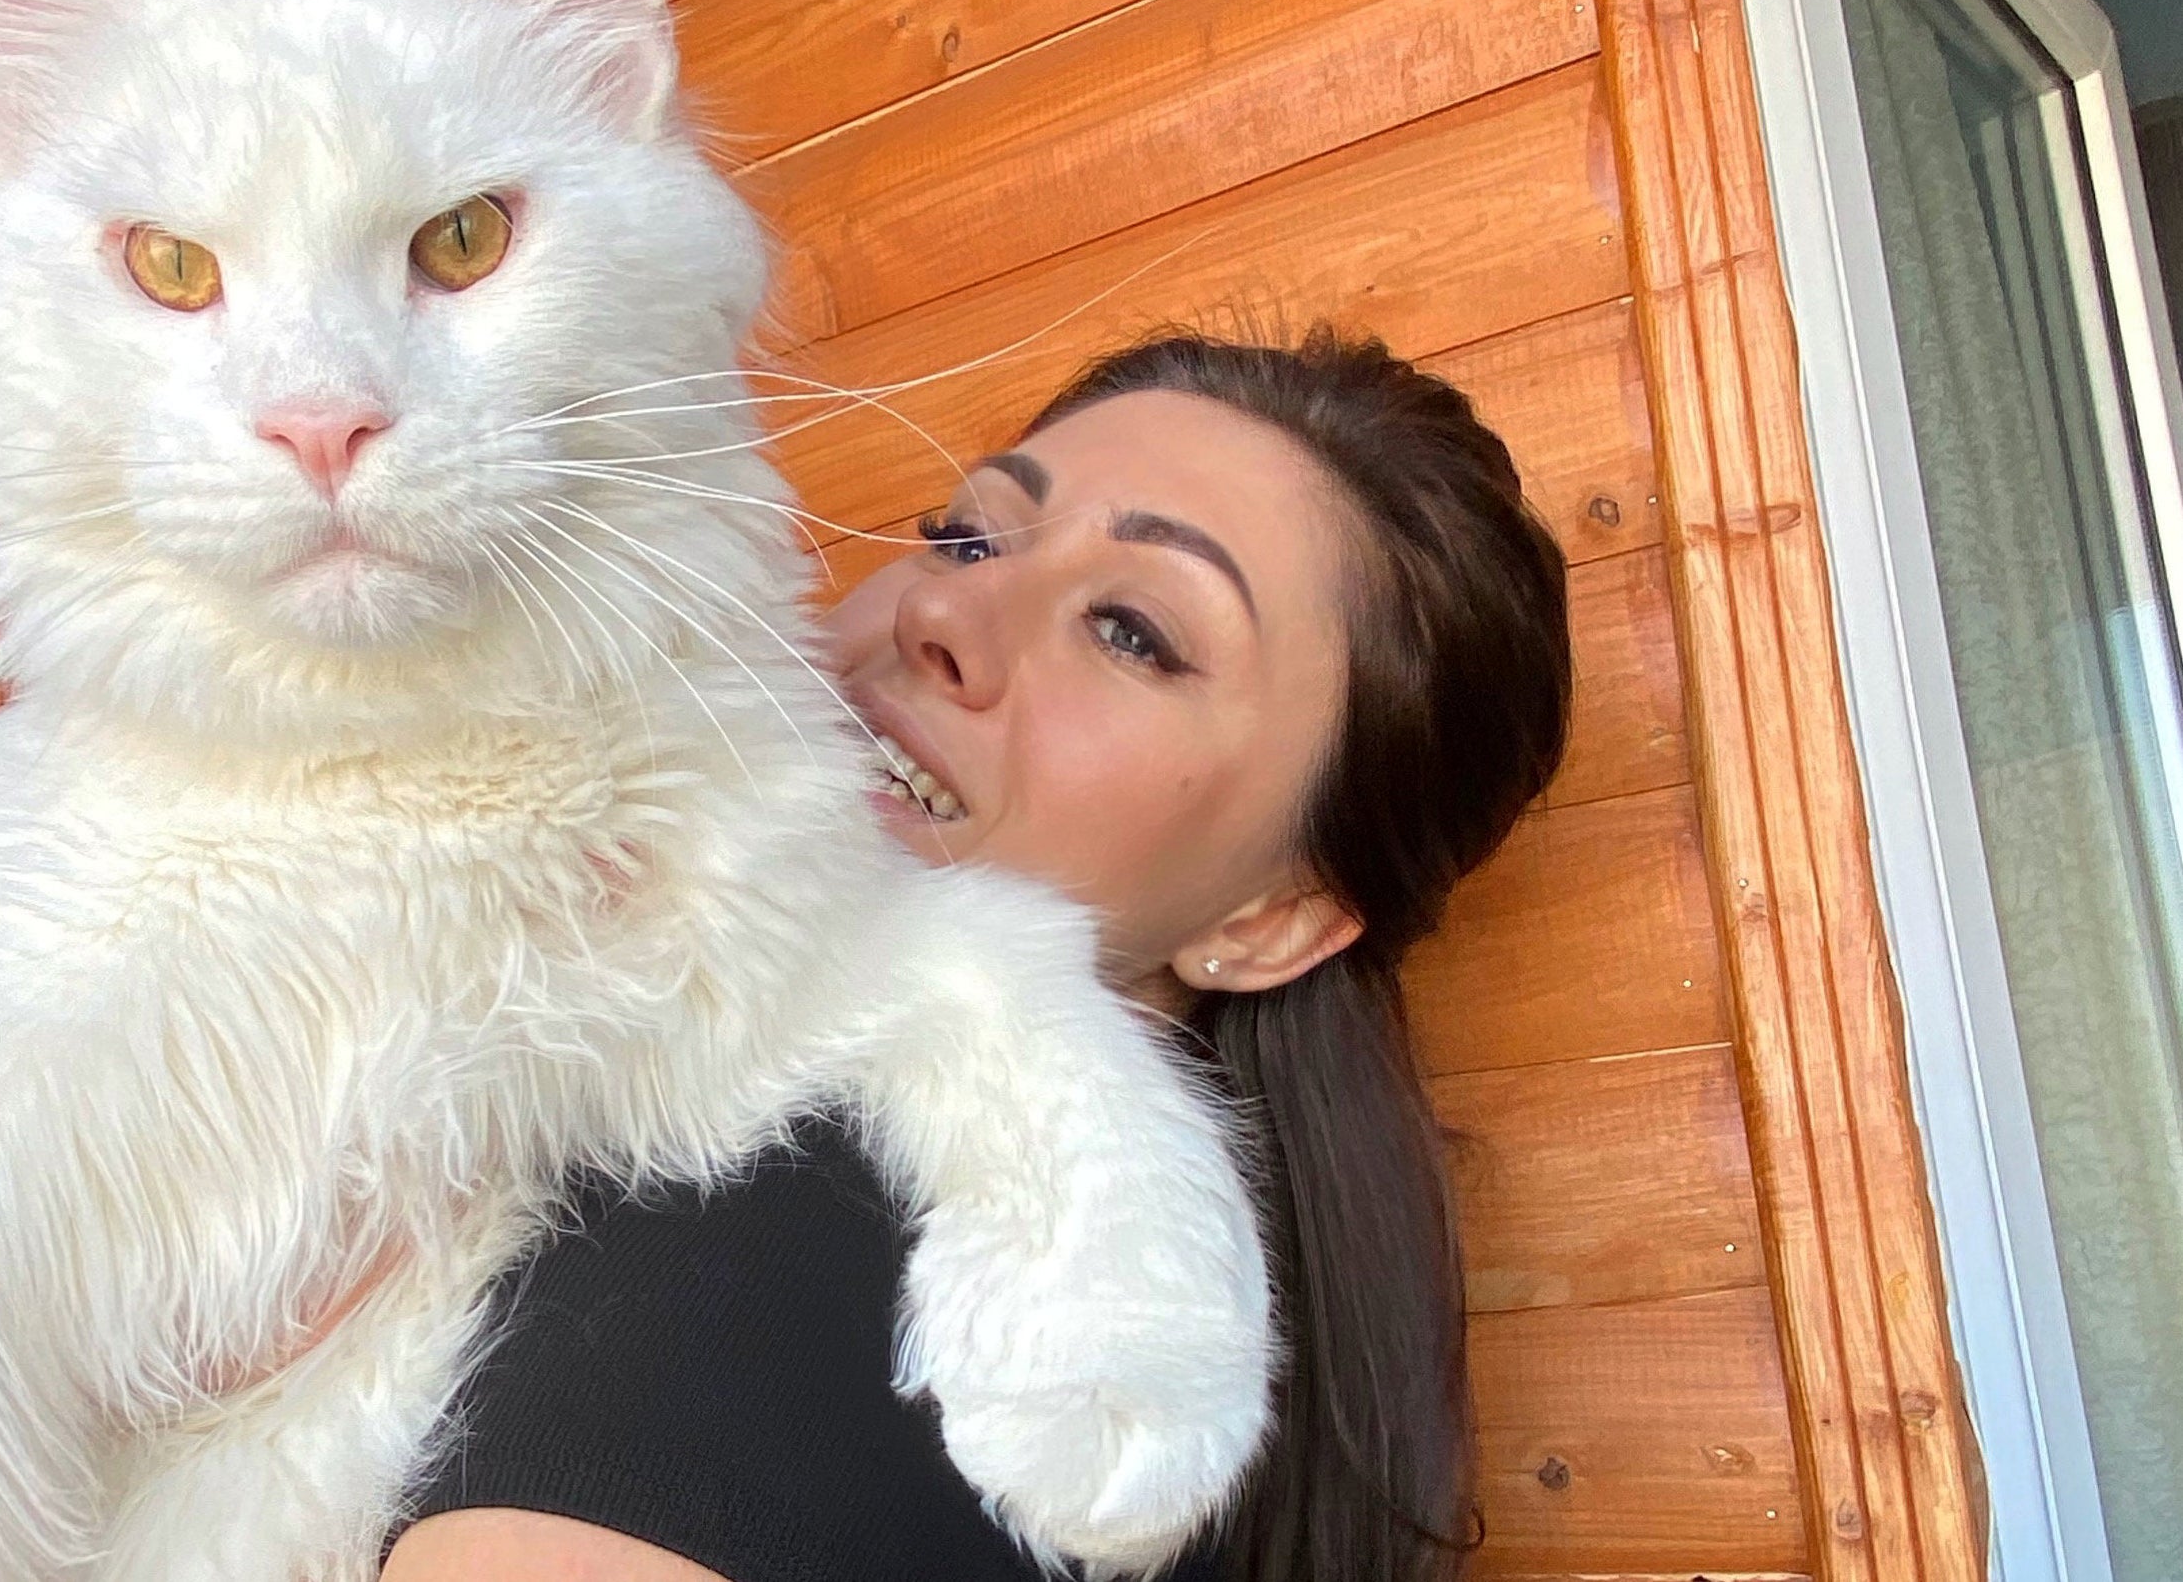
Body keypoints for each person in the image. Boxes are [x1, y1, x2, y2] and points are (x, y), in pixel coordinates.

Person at [384, 326, 1576, 1582]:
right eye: (964, 535)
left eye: (1129, 631)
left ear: (1269, 920)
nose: (942, 605)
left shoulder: (766, 1217)